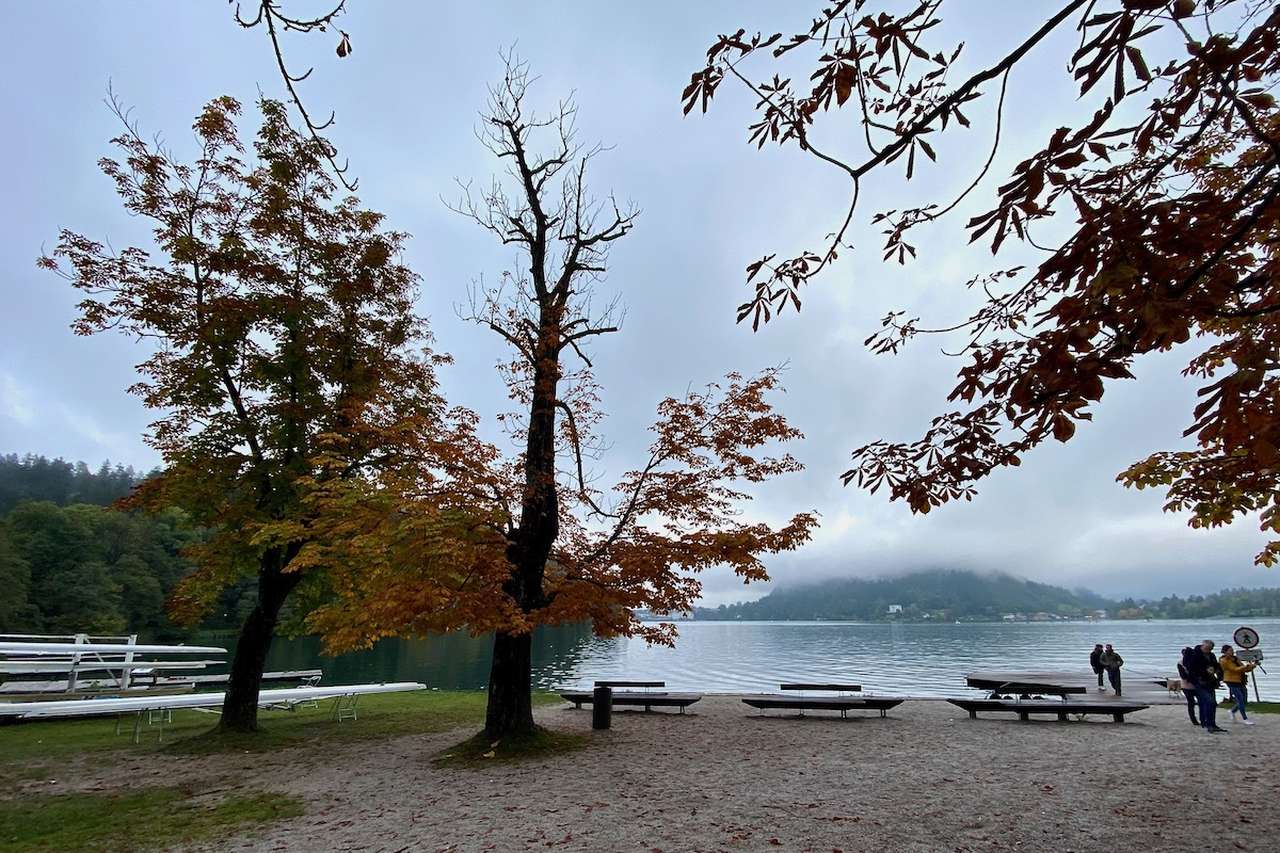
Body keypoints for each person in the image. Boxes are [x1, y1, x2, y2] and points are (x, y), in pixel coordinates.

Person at [1184, 639, 1227, 733]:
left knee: (1212, 703)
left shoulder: (1211, 655)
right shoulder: (1195, 655)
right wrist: (1201, 674)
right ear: (1202, 646)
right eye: (1207, 648)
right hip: (1199, 682)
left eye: (1210, 648)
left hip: (1210, 681)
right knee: (1209, 702)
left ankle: (1212, 724)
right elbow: (1190, 668)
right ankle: (1208, 724)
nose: (1208, 650)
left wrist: (1219, 674)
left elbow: (1216, 665)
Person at [1219, 644, 1257, 726]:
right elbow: (1234, 669)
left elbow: (1243, 669)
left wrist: (1251, 666)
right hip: (1231, 681)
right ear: (1225, 652)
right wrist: (1245, 666)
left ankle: (1232, 711)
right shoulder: (1223, 660)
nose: (1232, 652)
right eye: (1230, 650)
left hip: (1240, 680)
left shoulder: (1235, 658)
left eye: (1232, 650)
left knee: (1244, 700)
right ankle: (1245, 718)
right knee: (1240, 699)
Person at [1176, 647, 1199, 726]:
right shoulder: (1180, 663)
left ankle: (1203, 717)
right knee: (1191, 702)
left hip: (1196, 684)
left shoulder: (1195, 662)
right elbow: (1183, 676)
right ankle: (1193, 719)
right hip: (1187, 685)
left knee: (1200, 701)